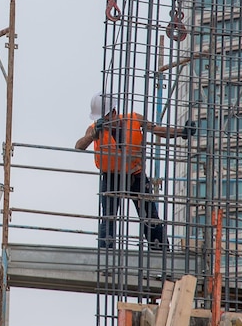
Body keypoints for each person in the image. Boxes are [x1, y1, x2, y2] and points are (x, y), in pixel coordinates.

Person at [75, 92, 196, 249]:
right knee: (108, 218)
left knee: (150, 217)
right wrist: (92, 135)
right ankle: (106, 252)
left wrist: (181, 132)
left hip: (135, 176)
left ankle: (160, 251)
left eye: (104, 117)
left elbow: (157, 130)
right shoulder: (95, 129)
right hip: (111, 178)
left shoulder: (134, 119)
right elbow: (79, 146)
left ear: (113, 112)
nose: (102, 120)